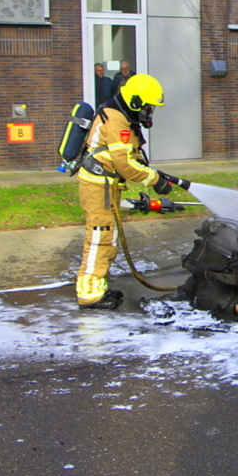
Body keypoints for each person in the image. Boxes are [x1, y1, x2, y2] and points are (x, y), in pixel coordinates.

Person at [75, 73, 178, 310]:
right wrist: (154, 180)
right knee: (100, 236)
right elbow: (123, 164)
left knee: (107, 235)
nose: (149, 112)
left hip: (104, 183)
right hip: (98, 185)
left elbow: (131, 156)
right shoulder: (116, 120)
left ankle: (98, 285)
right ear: (135, 102)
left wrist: (154, 174)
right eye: (148, 107)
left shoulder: (121, 114)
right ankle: (90, 294)